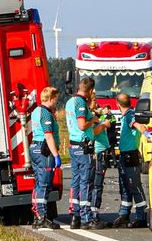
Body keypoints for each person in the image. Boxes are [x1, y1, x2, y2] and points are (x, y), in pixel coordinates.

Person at [66, 77, 108, 229]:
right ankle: (87, 218)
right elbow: (82, 125)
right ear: (90, 91)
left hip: (73, 146)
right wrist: (94, 120)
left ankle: (75, 216)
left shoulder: (70, 102)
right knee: (86, 182)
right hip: (84, 147)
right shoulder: (81, 103)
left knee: (76, 181)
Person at [112, 93, 152, 228]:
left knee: (134, 185)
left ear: (117, 105)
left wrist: (146, 134)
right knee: (124, 185)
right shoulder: (127, 115)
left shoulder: (129, 115)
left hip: (129, 155)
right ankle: (124, 213)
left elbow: (139, 126)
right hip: (124, 155)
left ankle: (141, 215)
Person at [29, 87, 61, 230]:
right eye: (56, 98)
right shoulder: (46, 114)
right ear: (51, 98)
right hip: (44, 149)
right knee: (45, 183)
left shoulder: (36, 111)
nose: (56, 101)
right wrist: (56, 155)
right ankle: (43, 217)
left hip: (35, 147)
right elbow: (48, 135)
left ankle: (37, 215)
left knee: (38, 183)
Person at [89, 94, 115, 223]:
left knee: (98, 183)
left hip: (101, 151)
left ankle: (94, 211)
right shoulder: (90, 117)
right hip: (98, 153)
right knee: (96, 184)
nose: (97, 104)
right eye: (94, 101)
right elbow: (93, 132)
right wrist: (104, 124)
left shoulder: (94, 116)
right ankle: (93, 213)